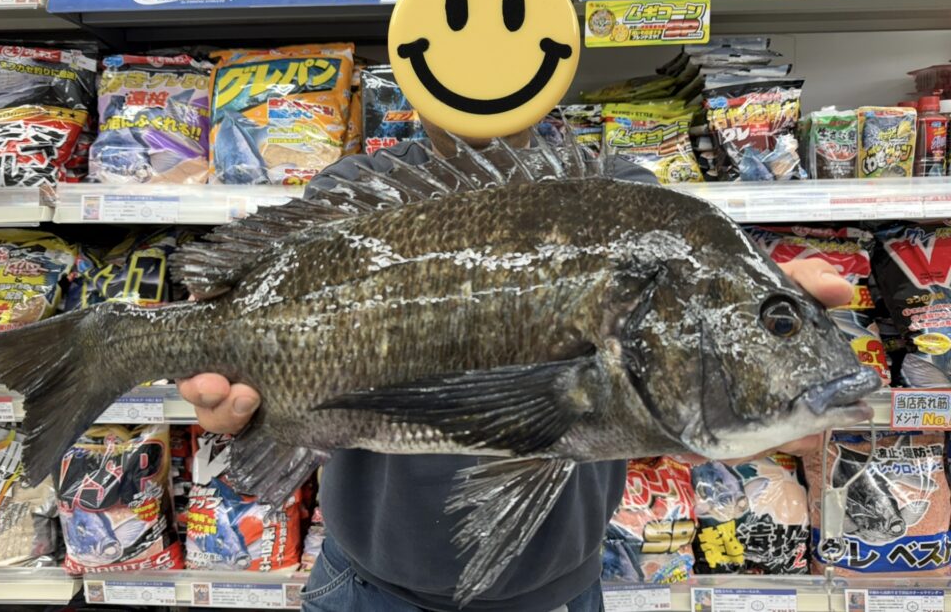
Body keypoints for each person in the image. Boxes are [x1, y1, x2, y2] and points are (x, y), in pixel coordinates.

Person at [179, 125, 851, 612]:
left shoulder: (623, 196)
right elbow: (237, 350)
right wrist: (238, 404)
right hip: (365, 586)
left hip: (559, 591)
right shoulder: (357, 191)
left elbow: (653, 398)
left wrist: (739, 399)